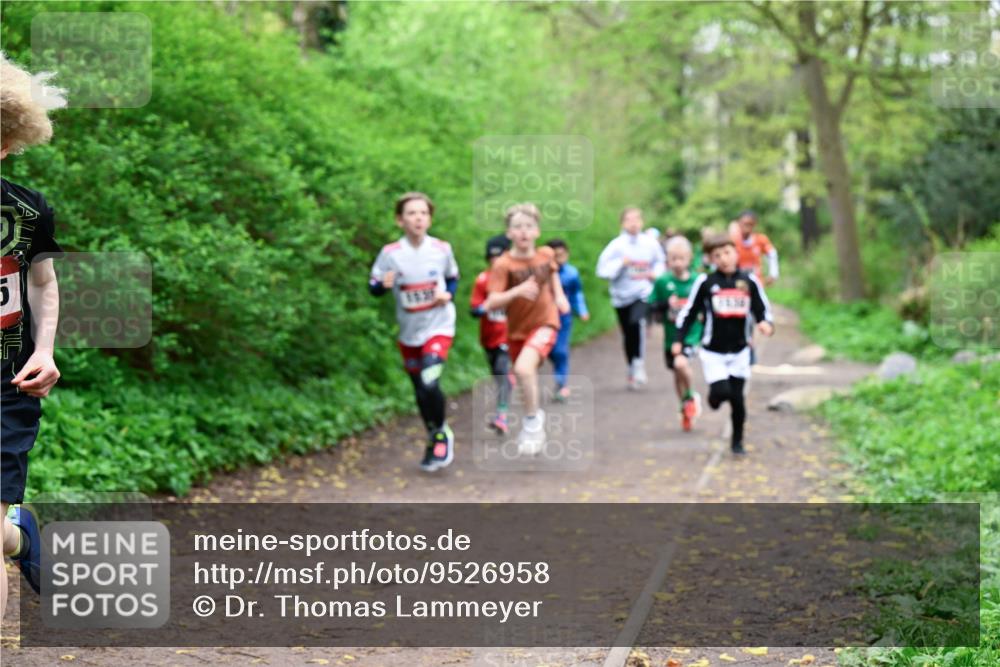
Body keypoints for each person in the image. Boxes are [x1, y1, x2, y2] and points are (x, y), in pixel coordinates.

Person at [1, 51, 67, 621]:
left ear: (6, 141)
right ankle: (19, 535)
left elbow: (43, 284)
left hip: (8, 385)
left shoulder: (27, 210)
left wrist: (44, 351)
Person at [369, 192, 460, 472]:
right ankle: (434, 434)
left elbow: (452, 278)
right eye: (411, 213)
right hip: (409, 332)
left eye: (423, 213)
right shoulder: (391, 254)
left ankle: (441, 435)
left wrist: (448, 295)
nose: (418, 218)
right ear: (400, 220)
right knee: (420, 390)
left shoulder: (441, 249)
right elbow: (374, 286)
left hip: (439, 325)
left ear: (429, 219)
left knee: (430, 380)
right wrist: (381, 285)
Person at [674, 234, 774, 455]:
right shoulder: (706, 282)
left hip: (740, 351)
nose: (723, 259)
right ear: (711, 259)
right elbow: (689, 313)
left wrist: (766, 324)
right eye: (717, 255)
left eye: (727, 253)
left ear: (736, 253)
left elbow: (761, 309)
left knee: (738, 401)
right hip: (714, 352)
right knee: (721, 392)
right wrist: (679, 341)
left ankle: (737, 442)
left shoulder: (749, 281)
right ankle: (713, 397)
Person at [484, 204, 570, 456]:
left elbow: (552, 274)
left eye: (529, 226)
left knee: (523, 369)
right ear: (509, 232)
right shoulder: (503, 264)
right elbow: (491, 302)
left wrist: (560, 296)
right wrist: (517, 292)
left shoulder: (545, 255)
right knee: (525, 377)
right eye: (517, 227)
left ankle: (532, 425)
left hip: (546, 322)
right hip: (517, 331)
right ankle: (533, 416)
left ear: (537, 231)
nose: (523, 231)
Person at [596, 207, 665, 390]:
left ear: (642, 222)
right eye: (629, 219)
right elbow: (601, 271)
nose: (633, 223)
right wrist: (621, 263)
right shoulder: (616, 246)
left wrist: (655, 274)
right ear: (622, 223)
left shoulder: (650, 243)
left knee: (637, 323)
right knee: (628, 333)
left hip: (643, 293)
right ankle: (631, 366)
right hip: (621, 296)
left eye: (637, 219)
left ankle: (639, 363)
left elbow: (660, 262)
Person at [649, 235, 703, 431]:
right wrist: (666, 304)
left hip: (692, 334)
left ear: (689, 258)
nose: (678, 263)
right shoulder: (662, 281)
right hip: (670, 336)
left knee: (681, 363)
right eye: (673, 258)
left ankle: (691, 396)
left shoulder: (698, 281)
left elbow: (707, 304)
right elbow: (651, 306)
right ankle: (685, 409)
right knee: (677, 373)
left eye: (682, 258)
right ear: (667, 259)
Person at [470, 234, 513, 434]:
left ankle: (501, 416)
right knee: (497, 373)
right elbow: (475, 308)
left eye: (500, 256)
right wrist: (483, 307)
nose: (495, 261)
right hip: (489, 337)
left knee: (501, 370)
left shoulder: (516, 279)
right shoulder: (483, 280)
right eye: (492, 257)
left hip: (509, 336)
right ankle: (508, 384)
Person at [544, 238, 589, 402]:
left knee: (560, 351)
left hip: (563, 318)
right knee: (548, 351)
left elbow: (577, 293)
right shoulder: (541, 273)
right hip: (543, 319)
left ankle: (561, 383)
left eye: (562, 254)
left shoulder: (571, 273)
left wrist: (582, 310)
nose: (559, 258)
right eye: (555, 255)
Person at [729, 210, 779, 285]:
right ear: (739, 223)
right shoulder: (733, 241)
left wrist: (773, 274)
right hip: (737, 281)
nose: (746, 227)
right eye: (743, 223)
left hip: (756, 280)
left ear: (754, 224)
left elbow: (772, 254)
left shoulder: (761, 239)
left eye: (749, 224)